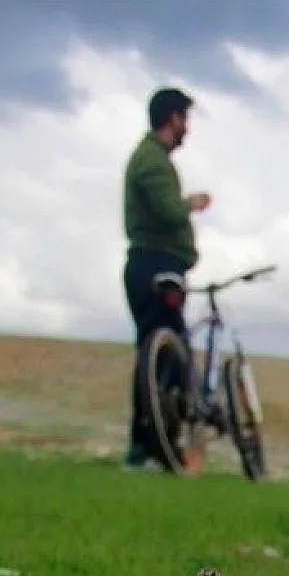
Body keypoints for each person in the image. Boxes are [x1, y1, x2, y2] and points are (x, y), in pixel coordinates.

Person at [121, 86, 211, 469]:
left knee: (157, 352)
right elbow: (167, 211)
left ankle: (150, 443)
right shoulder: (152, 161)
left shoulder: (153, 158)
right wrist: (189, 204)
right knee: (166, 354)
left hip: (157, 262)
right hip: (156, 264)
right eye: (184, 118)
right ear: (172, 118)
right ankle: (153, 444)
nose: (187, 127)